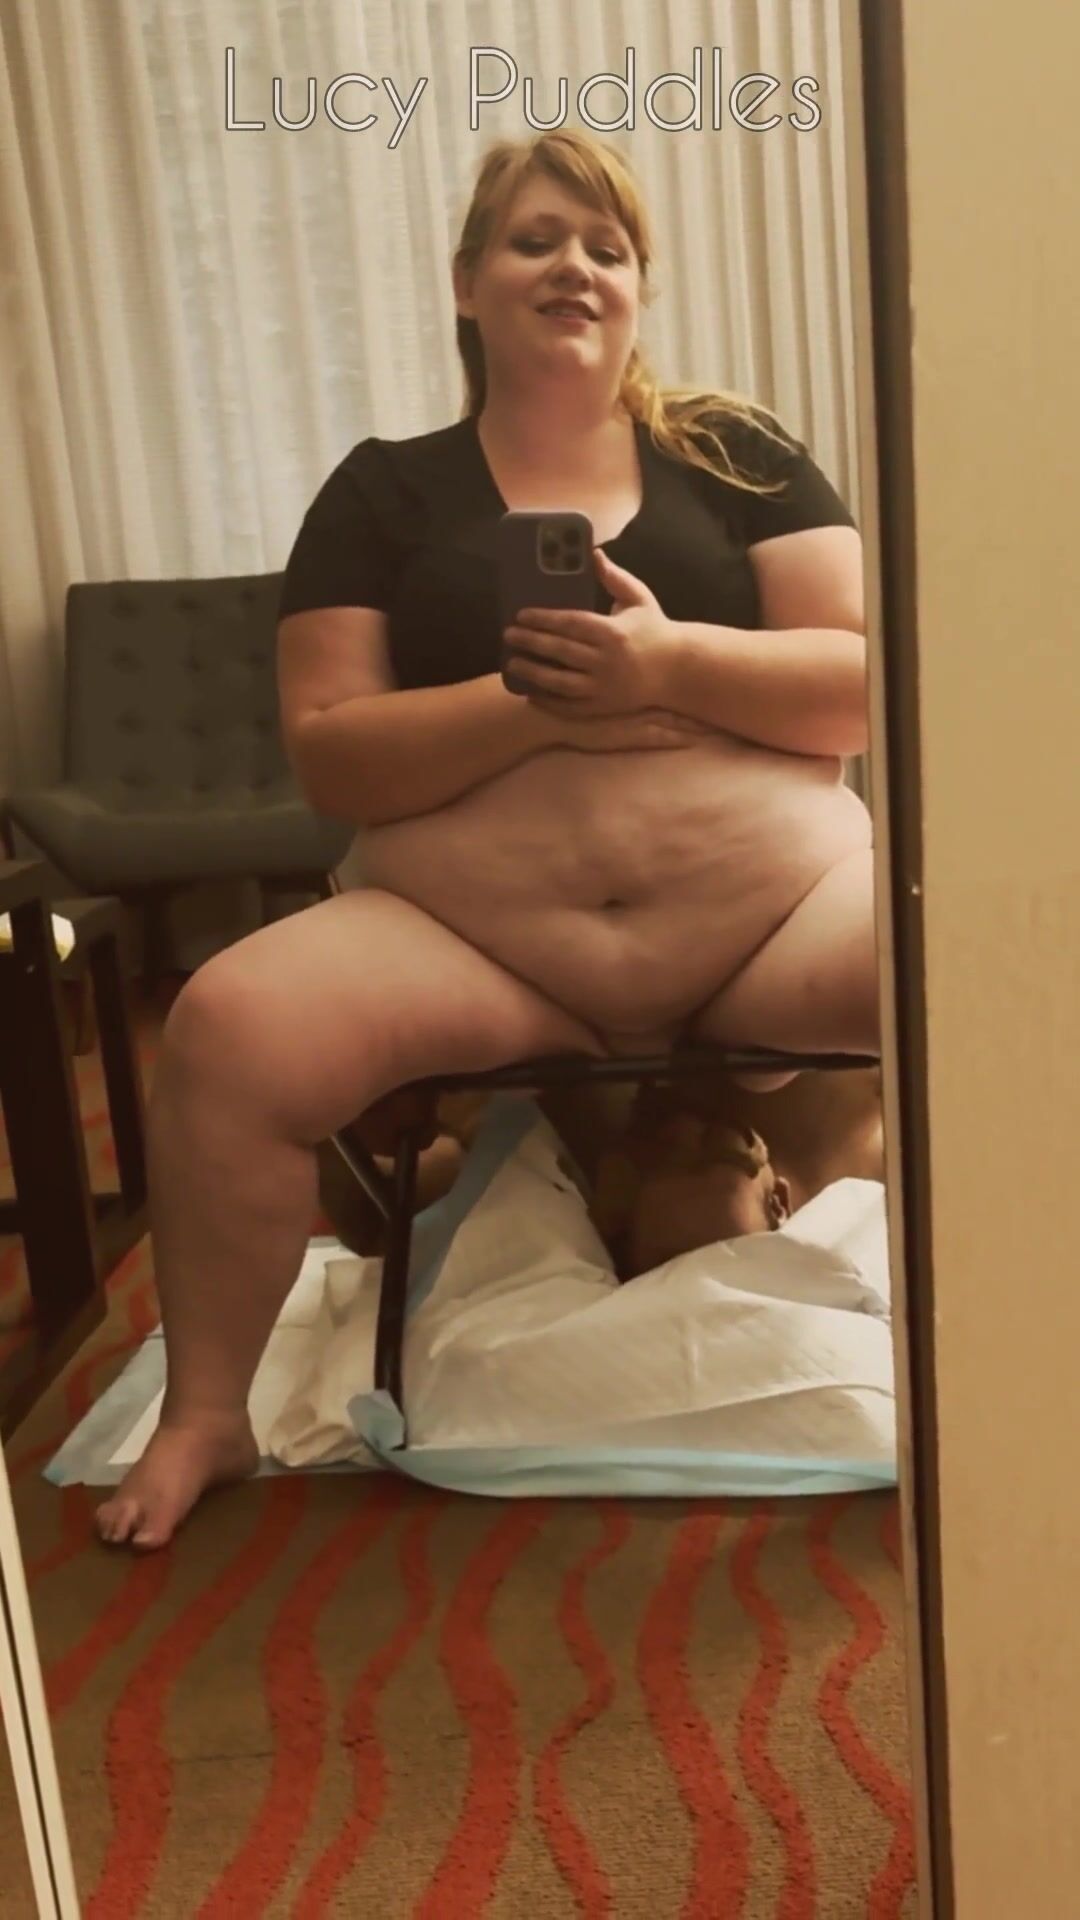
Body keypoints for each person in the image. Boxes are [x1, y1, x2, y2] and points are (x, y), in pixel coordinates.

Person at [96, 128, 876, 1549]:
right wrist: (527, 706)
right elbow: (332, 747)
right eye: (535, 240)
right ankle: (207, 1416)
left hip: (777, 922)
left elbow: (860, 683)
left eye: (607, 246)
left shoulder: (739, 455)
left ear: (638, 287)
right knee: (227, 1028)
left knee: (1000, 959)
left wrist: (668, 664)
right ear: (468, 283)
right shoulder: (384, 491)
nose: (574, 265)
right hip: (474, 946)